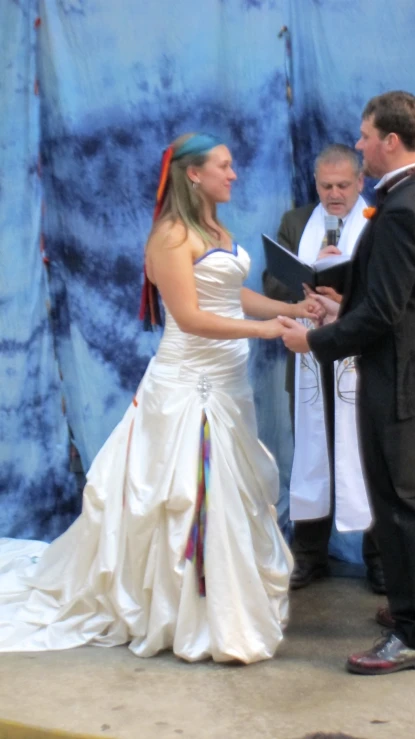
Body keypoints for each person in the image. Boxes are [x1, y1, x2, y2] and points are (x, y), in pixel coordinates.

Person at [0, 132, 321, 664]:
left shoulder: (214, 227)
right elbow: (190, 317)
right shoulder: (171, 236)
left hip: (228, 382)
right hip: (188, 386)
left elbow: (229, 293)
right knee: (188, 498)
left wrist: (288, 311)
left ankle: (225, 601)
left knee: (228, 496)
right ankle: (188, 615)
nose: (234, 174)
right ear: (193, 174)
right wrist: (263, 333)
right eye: (224, 166)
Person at [279, 91, 415, 675]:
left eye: (364, 136)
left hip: (398, 377)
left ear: (389, 140)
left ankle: (414, 636)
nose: (358, 145)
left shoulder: (405, 208)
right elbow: (398, 302)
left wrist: (315, 339)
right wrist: (344, 307)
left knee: (403, 502)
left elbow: (383, 314)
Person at [263, 144, 386, 594]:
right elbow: (271, 281)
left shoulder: (379, 220)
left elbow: (387, 287)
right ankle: (311, 555)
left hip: (362, 363)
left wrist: (343, 291)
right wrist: (306, 290)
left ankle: (379, 559)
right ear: (315, 184)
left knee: (368, 459)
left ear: (360, 182)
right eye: (325, 186)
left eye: (342, 185)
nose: (334, 195)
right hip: (310, 356)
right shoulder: (296, 223)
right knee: (312, 453)